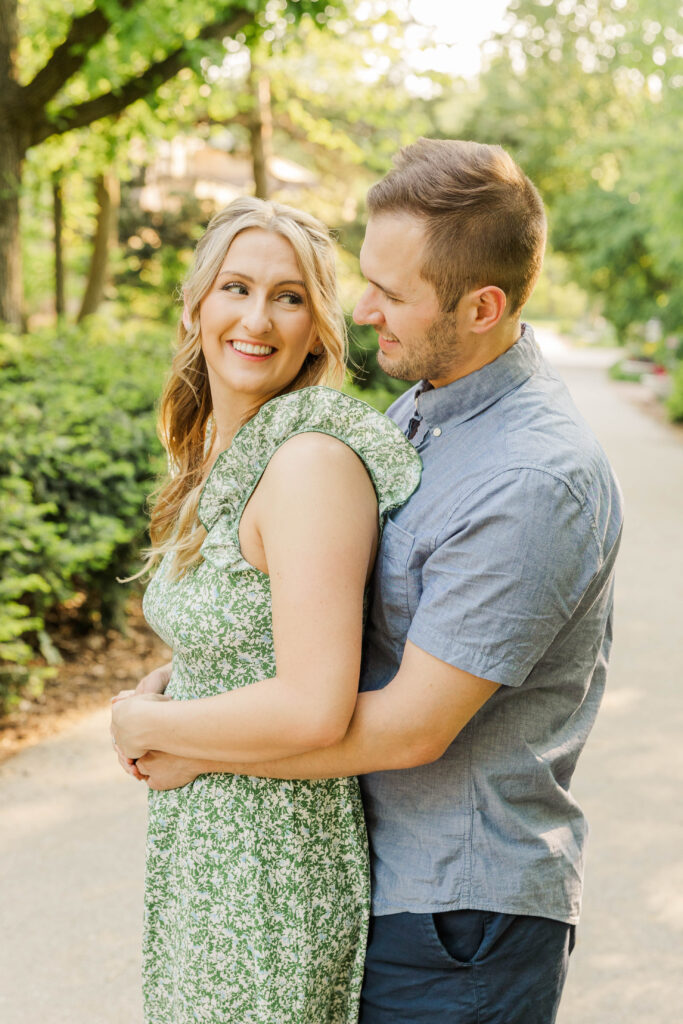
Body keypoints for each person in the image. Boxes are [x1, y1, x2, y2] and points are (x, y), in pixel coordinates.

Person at [118, 140, 623, 1024]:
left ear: (482, 306)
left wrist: (180, 737)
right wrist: (201, 678)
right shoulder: (421, 413)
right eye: (363, 279)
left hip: (462, 918)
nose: (361, 308)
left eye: (389, 293)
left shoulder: (532, 478)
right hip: (388, 882)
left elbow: (410, 727)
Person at [110, 195, 421, 1024]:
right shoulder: (226, 451)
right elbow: (262, 626)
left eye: (288, 297)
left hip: (268, 865)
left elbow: (315, 704)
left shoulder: (308, 462)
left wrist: (146, 726)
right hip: (206, 857)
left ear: (319, 327)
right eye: (236, 288)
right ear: (195, 305)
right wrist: (187, 671)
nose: (258, 317)